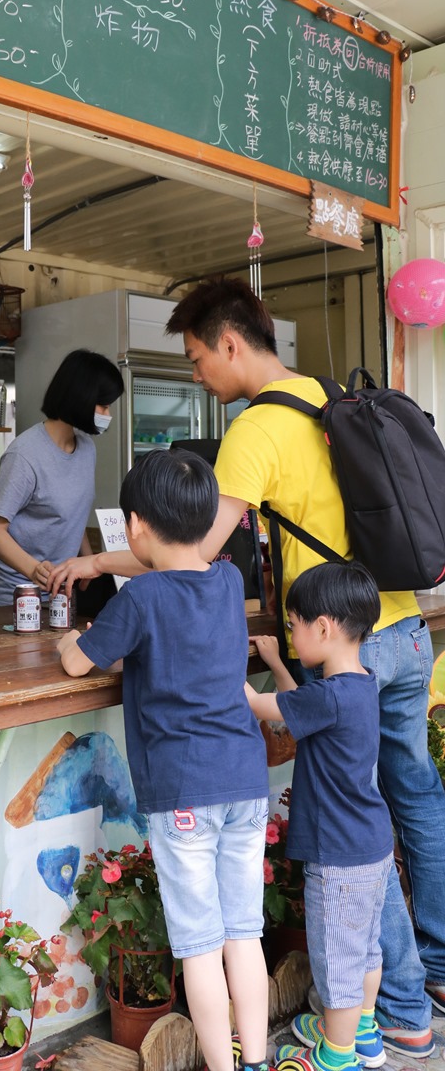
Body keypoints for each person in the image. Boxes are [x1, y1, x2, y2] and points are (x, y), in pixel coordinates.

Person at [48, 276, 445, 1056]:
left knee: (363, 832)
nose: (198, 374)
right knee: (409, 808)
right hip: (402, 630)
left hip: (339, 653)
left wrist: (98, 560)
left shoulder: (258, 428)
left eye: (198, 359)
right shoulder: (326, 395)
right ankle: (429, 973)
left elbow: (187, 546)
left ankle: (395, 1005)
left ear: (231, 344)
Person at [58, 450, 271, 1071]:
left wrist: (76, 636)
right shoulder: (228, 582)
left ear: (135, 526)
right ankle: (254, 1060)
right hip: (244, 780)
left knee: (201, 947)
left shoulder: (142, 598)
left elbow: (78, 662)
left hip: (183, 791)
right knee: (244, 936)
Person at [246, 562, 393, 1071]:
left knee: (337, 959)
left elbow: (269, 707)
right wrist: (278, 660)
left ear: (324, 628)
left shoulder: (328, 696)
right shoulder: (358, 685)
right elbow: (302, 707)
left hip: (339, 858)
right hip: (371, 847)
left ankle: (338, 1054)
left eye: (293, 626)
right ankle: (365, 1031)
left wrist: (228, 674)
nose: (289, 635)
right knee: (366, 950)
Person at [0, 348, 124, 606]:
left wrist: (88, 560)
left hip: (62, 595)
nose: (108, 414)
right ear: (82, 398)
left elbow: (73, 513)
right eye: (104, 405)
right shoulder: (24, 455)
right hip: (17, 599)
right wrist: (34, 570)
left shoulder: (86, 448)